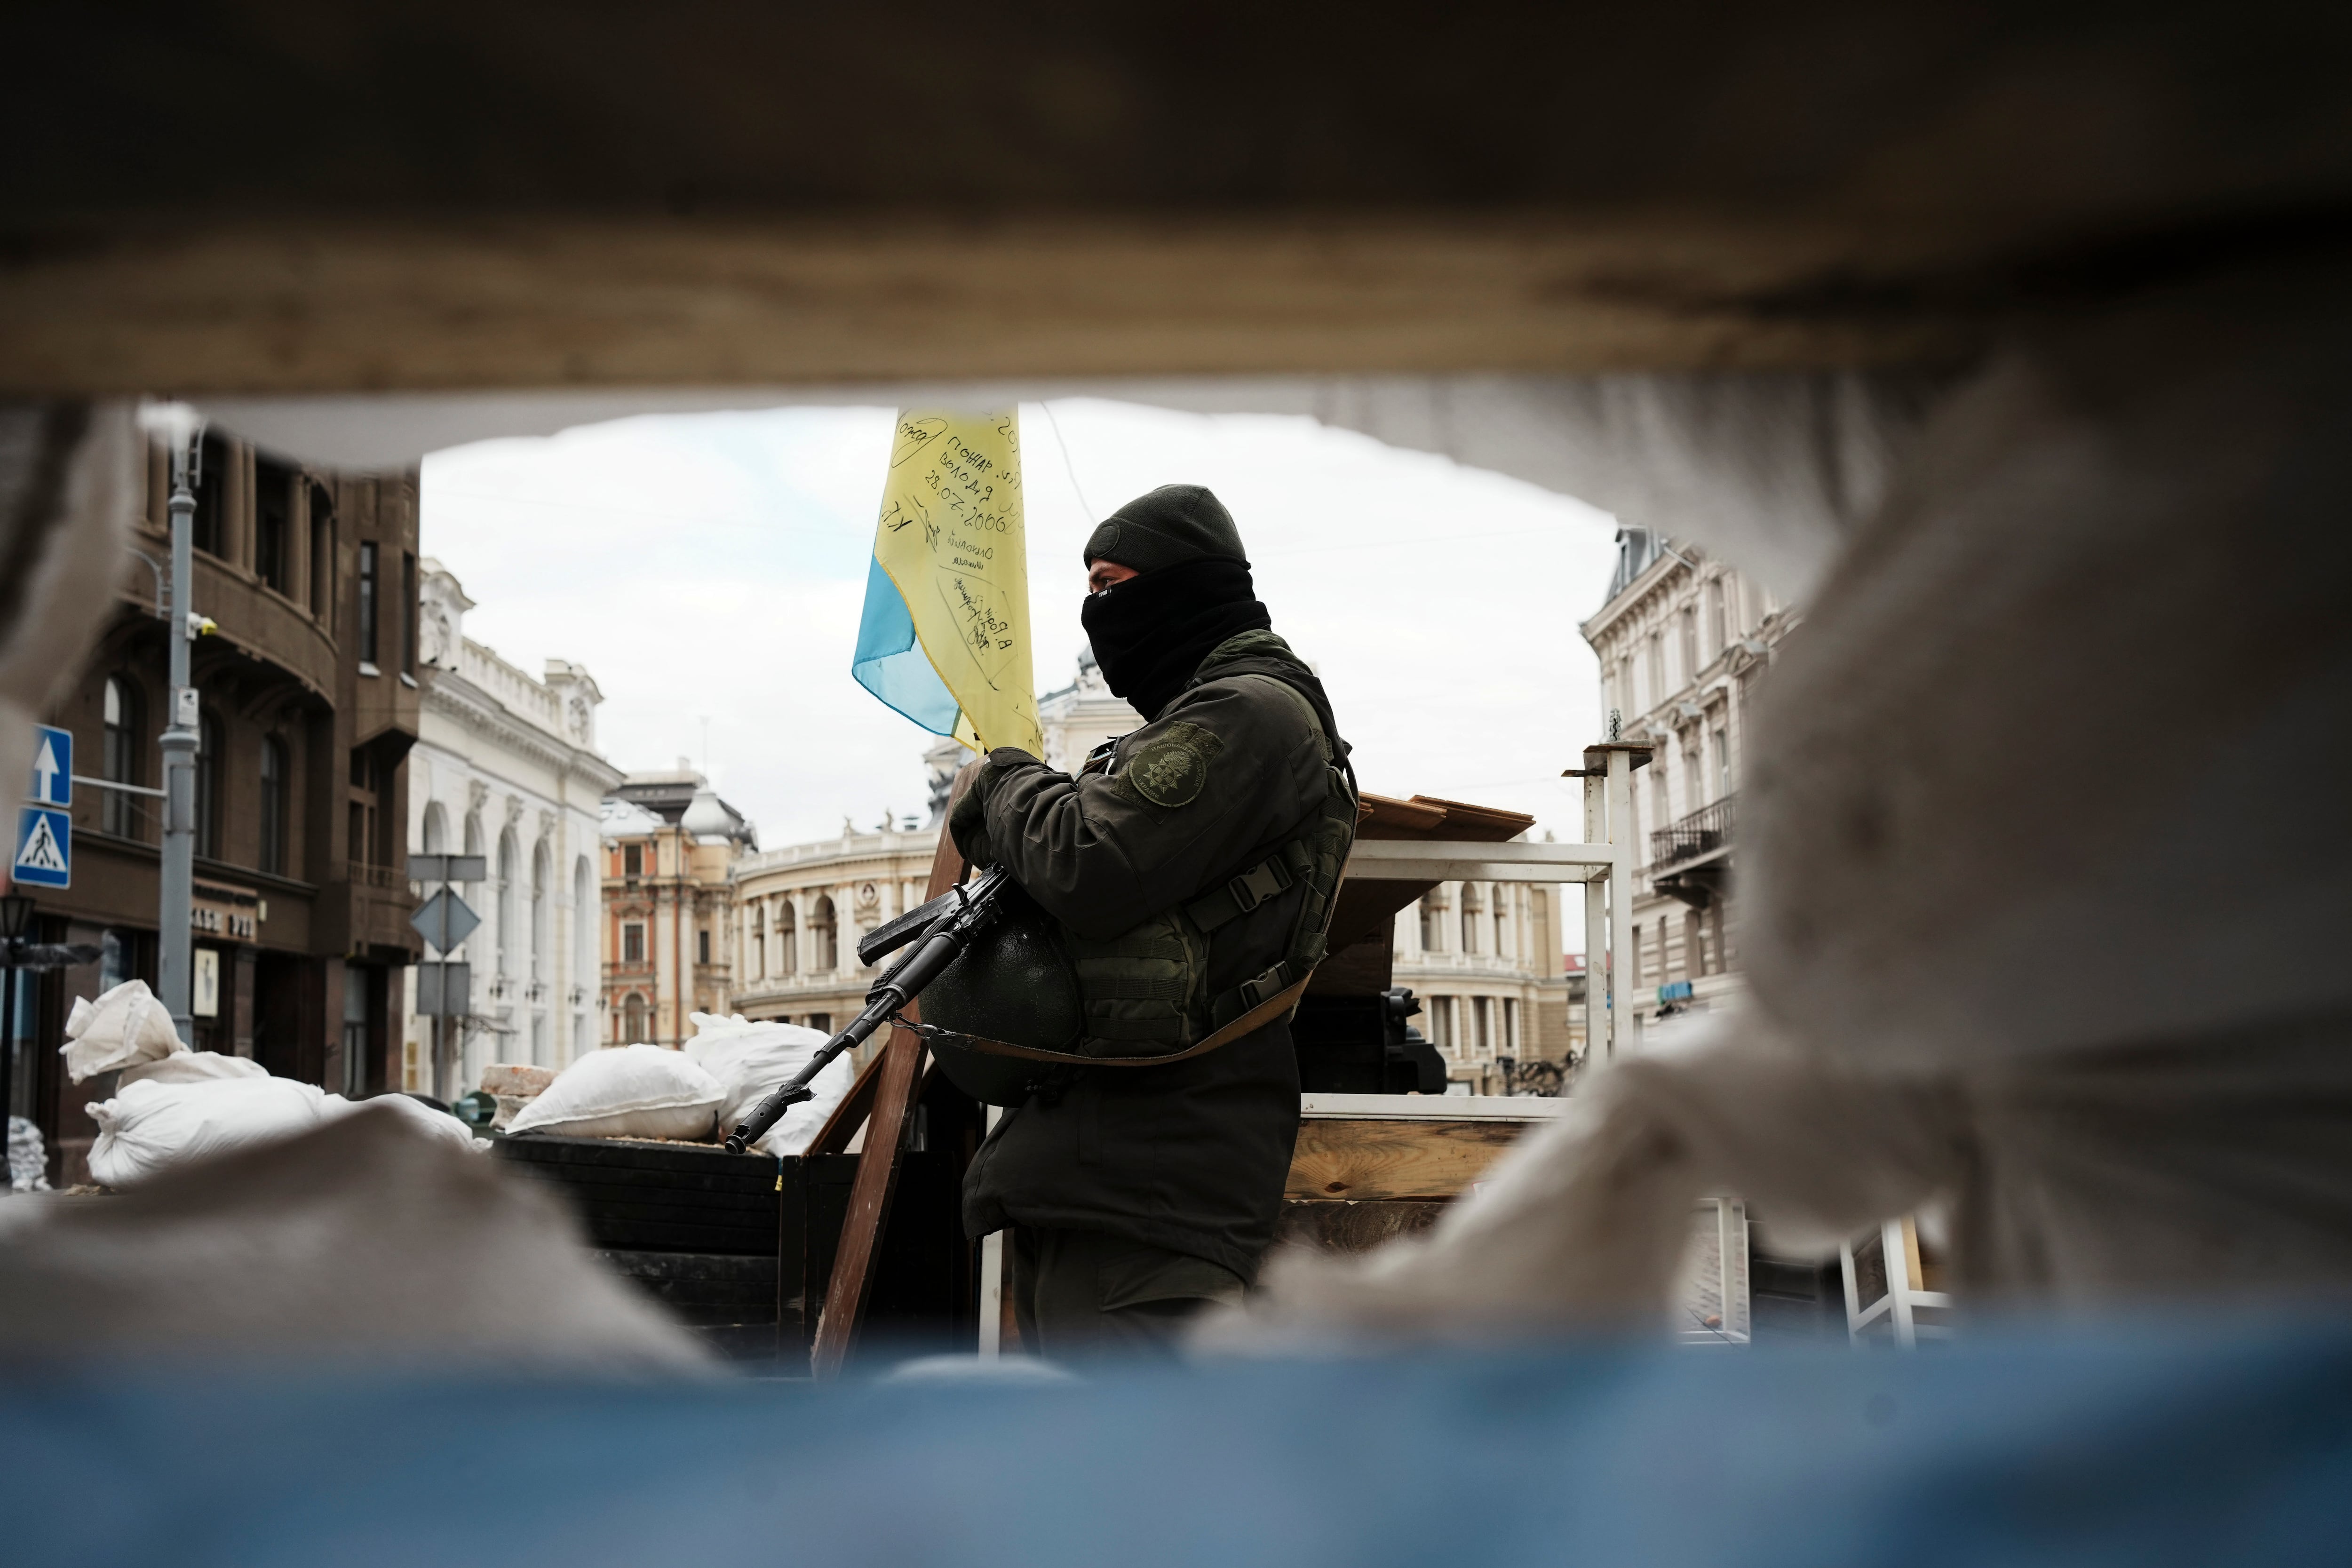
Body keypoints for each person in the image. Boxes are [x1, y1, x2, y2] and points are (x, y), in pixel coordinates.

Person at [948, 483, 1354, 1357]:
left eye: (1111, 586)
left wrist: (1005, 779)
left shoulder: (1244, 713)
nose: (1098, 614)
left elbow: (1088, 859)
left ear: (1184, 587)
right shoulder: (1210, 714)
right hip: (1111, 1172)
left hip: (1153, 1187)